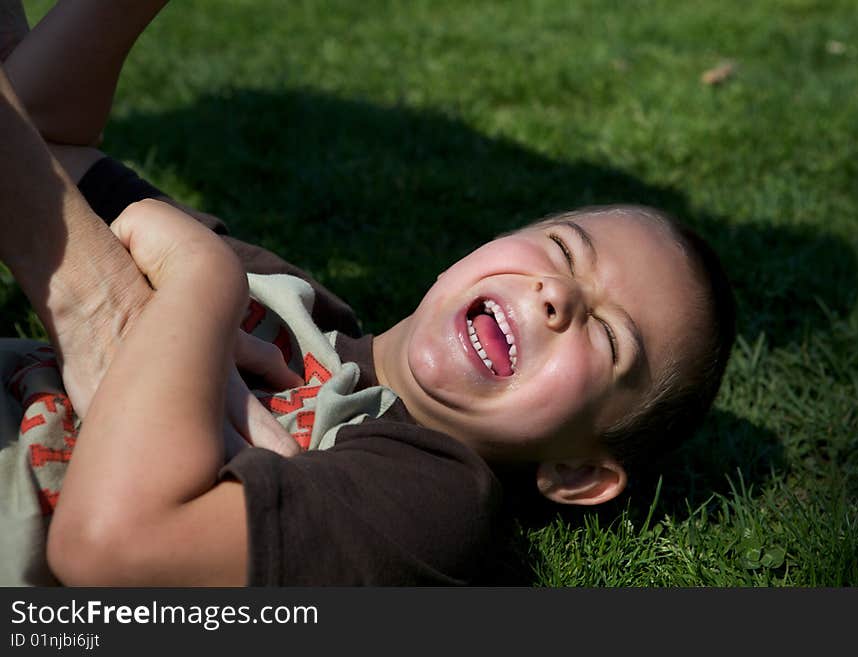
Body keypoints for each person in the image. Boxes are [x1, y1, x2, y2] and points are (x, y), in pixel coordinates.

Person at [0, 1, 735, 586]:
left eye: (609, 339)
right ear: (473, 255)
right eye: (562, 250)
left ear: (575, 471)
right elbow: (37, 150)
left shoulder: (435, 497)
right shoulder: (295, 304)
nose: (556, 296)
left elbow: (109, 548)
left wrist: (199, 279)